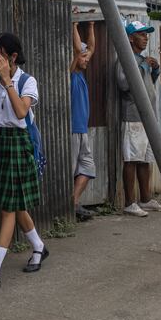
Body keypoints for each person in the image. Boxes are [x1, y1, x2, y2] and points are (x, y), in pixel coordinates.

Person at [0, 33, 48, 292]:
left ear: (12, 57)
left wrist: (7, 81)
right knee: (13, 203)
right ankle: (38, 246)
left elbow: (21, 112)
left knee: (8, 208)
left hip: (19, 144)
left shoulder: (27, 81)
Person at [115, 20, 161, 217]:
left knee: (145, 159)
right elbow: (123, 84)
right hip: (133, 117)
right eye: (141, 34)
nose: (145, 38)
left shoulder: (141, 59)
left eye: (146, 34)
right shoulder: (125, 59)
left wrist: (153, 70)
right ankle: (130, 203)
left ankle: (145, 199)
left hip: (147, 118)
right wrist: (144, 67)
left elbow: (147, 84)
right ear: (130, 38)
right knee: (131, 159)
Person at [70, 20, 97, 221]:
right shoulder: (72, 74)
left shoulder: (81, 75)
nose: (86, 58)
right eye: (83, 56)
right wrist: (74, 25)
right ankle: (70, 207)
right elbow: (79, 49)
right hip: (72, 129)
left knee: (87, 167)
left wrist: (91, 26)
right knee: (70, 169)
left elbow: (91, 48)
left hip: (82, 130)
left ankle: (72, 202)